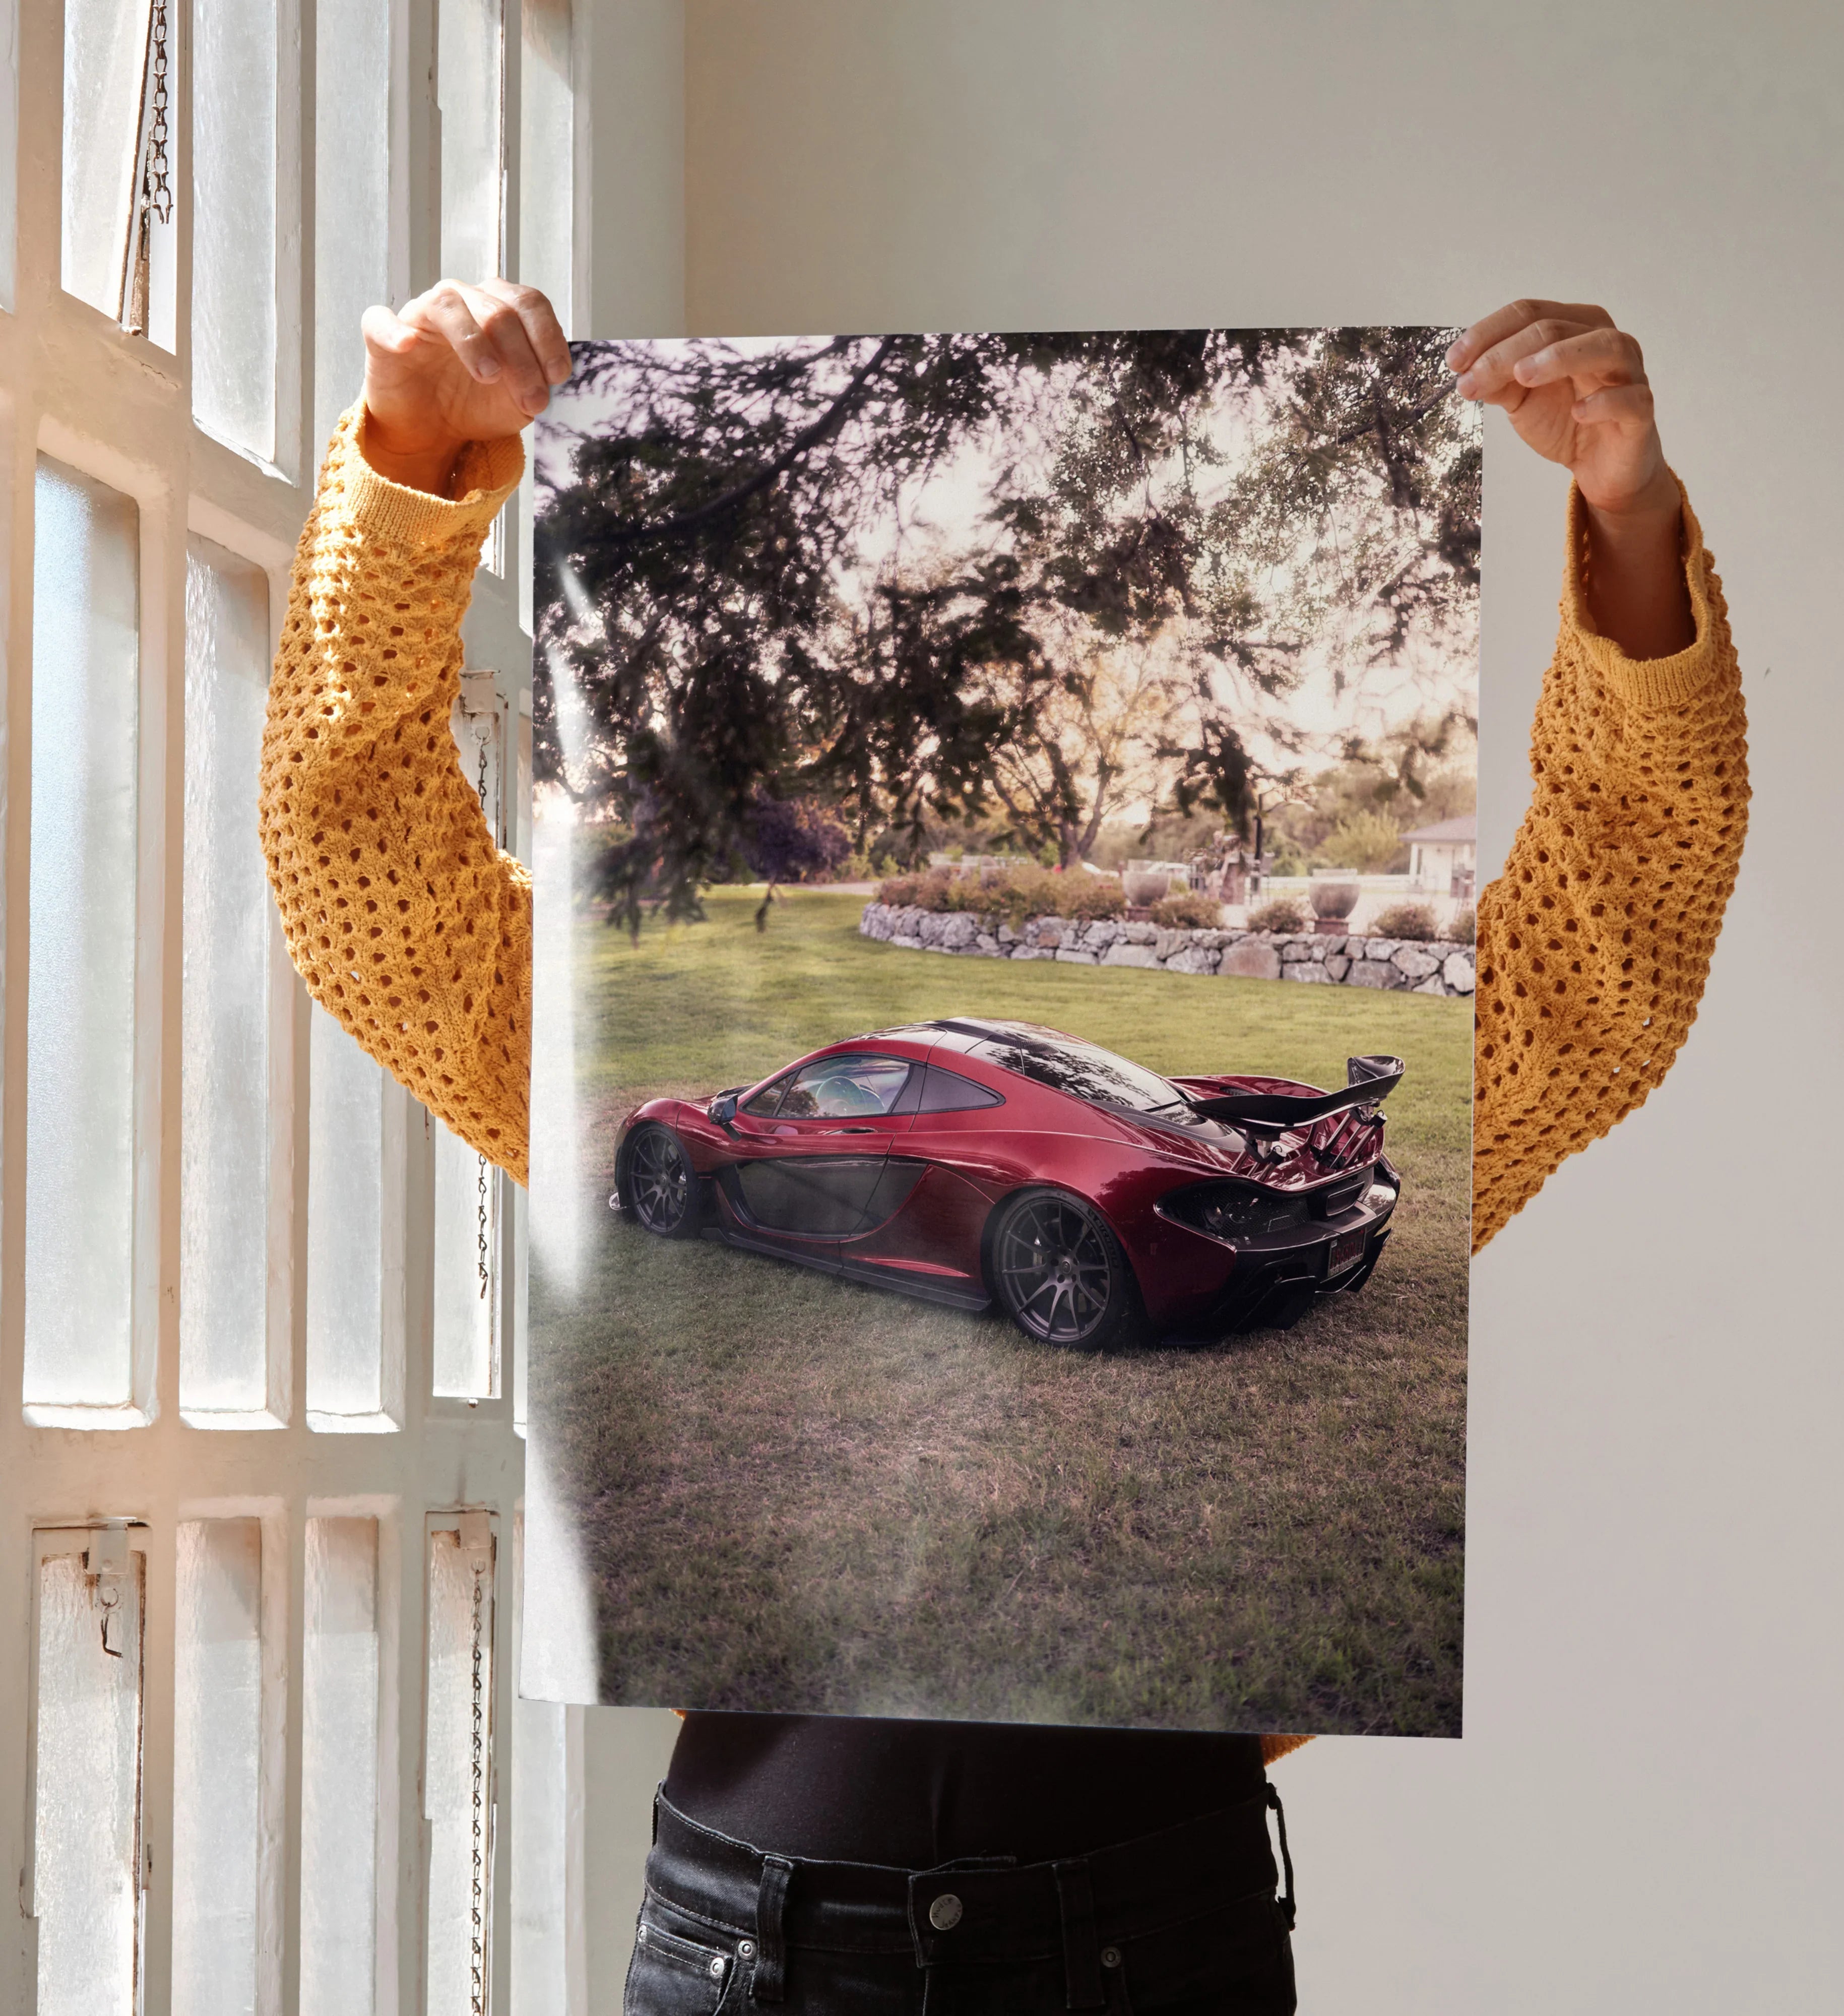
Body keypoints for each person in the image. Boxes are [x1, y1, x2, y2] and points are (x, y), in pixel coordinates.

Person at [261, 284, 1747, 2013]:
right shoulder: (605, 1054)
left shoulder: (1174, 1137)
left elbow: (1611, 951)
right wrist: (410, 466)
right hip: (760, 1950)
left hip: (1147, 1937)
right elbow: (362, 879)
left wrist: (1628, 519)